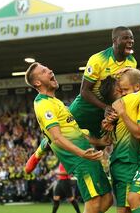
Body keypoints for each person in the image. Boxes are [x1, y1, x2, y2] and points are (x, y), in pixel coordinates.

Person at [25, 26, 138, 172]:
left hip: (106, 109)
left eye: (131, 38)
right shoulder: (98, 59)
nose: (130, 41)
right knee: (60, 132)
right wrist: (105, 107)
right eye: (126, 38)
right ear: (115, 41)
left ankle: (100, 173)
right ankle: (38, 153)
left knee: (102, 144)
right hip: (85, 106)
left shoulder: (132, 62)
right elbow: (84, 91)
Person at [24, 62, 113, 213]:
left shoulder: (56, 102)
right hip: (80, 159)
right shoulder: (43, 104)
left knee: (108, 199)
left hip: (87, 155)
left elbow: (75, 132)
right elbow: (57, 138)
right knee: (95, 201)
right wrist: (81, 153)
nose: (50, 70)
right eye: (44, 71)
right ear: (38, 82)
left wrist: (98, 141)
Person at [100, 69, 140, 213]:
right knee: (135, 206)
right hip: (128, 163)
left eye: (125, 89)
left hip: (129, 162)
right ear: (118, 89)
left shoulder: (115, 108)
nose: (124, 92)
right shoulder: (127, 100)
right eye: (122, 89)